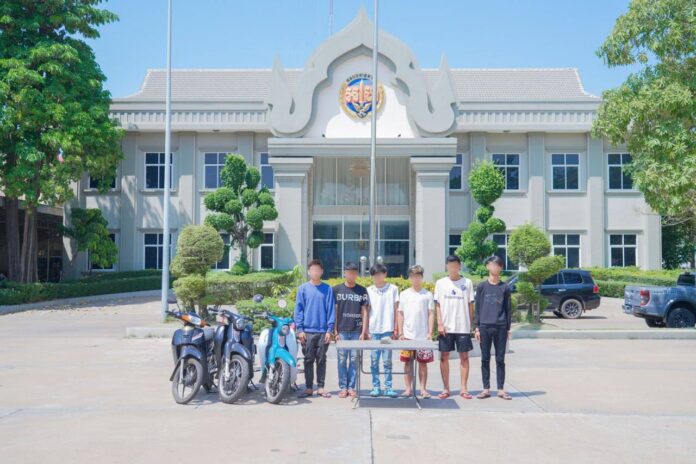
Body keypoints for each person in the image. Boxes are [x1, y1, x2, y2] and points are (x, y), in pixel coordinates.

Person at [434, 255, 475, 400]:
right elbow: (437, 305)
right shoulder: (440, 283)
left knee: (464, 357)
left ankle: (464, 388)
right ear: (446, 267)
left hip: (463, 326)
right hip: (446, 327)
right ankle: (446, 388)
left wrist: (470, 324)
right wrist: (440, 323)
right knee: (444, 357)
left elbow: (470, 305)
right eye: (450, 265)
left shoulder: (467, 282)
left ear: (459, 266)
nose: (452, 268)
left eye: (455, 265)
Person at [294, 259, 335, 399]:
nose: (315, 272)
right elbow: (298, 310)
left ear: (322, 272)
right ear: (309, 272)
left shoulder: (328, 289)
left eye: (318, 270)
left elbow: (331, 310)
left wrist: (330, 330)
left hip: (323, 331)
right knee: (308, 360)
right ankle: (309, 387)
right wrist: (300, 330)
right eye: (313, 270)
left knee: (321, 360)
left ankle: (321, 387)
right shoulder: (303, 289)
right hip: (307, 331)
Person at [475, 255, 513, 400]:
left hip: (501, 327)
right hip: (484, 326)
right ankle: (486, 389)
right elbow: (477, 307)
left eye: (497, 265)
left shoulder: (505, 287)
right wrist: (477, 327)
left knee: (500, 359)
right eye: (492, 264)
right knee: (485, 358)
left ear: (501, 268)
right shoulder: (482, 286)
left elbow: (508, 309)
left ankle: (500, 389)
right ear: (487, 266)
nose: (494, 267)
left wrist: (508, 328)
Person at [397, 264, 435, 399]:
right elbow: (400, 314)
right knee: (407, 363)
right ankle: (408, 389)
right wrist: (401, 333)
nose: (415, 279)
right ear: (409, 277)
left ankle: (423, 389)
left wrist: (430, 333)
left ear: (422, 277)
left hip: (423, 336)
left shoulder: (427, 294)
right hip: (407, 335)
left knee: (423, 364)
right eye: (413, 276)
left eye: (418, 276)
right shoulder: (404, 294)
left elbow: (431, 314)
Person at [333, 262, 369, 399]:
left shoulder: (362, 290)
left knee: (354, 360)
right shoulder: (336, 290)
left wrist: (363, 332)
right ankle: (343, 387)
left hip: (356, 331)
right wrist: (335, 331)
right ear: (344, 273)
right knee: (342, 360)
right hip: (342, 330)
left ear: (357, 274)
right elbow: (334, 311)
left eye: (354, 273)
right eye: (348, 272)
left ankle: (351, 387)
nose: (351, 275)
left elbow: (365, 311)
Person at [366, 263, 399, 398]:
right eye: (375, 275)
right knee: (374, 360)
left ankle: (388, 387)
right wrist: (366, 330)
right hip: (373, 331)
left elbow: (397, 310)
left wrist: (396, 328)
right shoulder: (368, 290)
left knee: (387, 361)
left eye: (380, 274)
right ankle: (376, 387)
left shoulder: (393, 289)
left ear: (385, 274)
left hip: (387, 330)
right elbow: (366, 311)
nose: (378, 277)